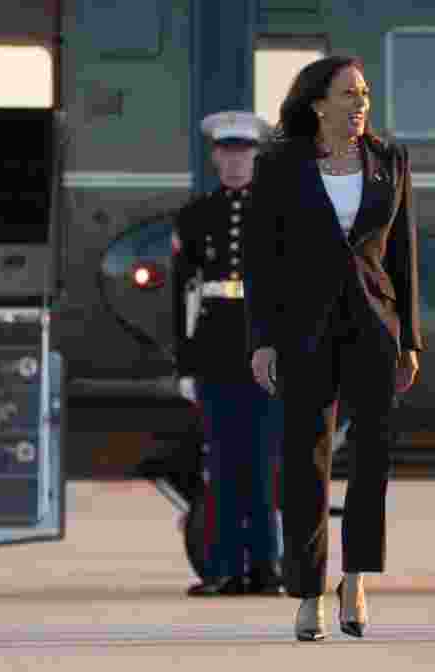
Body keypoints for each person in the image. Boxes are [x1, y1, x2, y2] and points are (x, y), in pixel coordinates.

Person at [243, 56, 423, 641]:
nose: (361, 102)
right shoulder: (279, 165)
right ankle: (307, 591)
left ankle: (356, 580)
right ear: (319, 103)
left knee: (372, 461)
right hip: (303, 331)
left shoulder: (390, 161)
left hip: (375, 329)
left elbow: (404, 258)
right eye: (350, 93)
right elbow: (261, 263)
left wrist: (410, 340)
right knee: (306, 463)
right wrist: (263, 340)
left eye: (365, 92)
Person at [171, 110, 285, 597]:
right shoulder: (197, 215)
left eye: (245, 151)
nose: (236, 160)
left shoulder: (281, 212)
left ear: (256, 156)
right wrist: (185, 363)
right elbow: (182, 294)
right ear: (216, 156)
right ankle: (221, 568)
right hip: (216, 349)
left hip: (266, 349)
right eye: (228, 151)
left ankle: (265, 567)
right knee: (221, 466)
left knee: (264, 464)